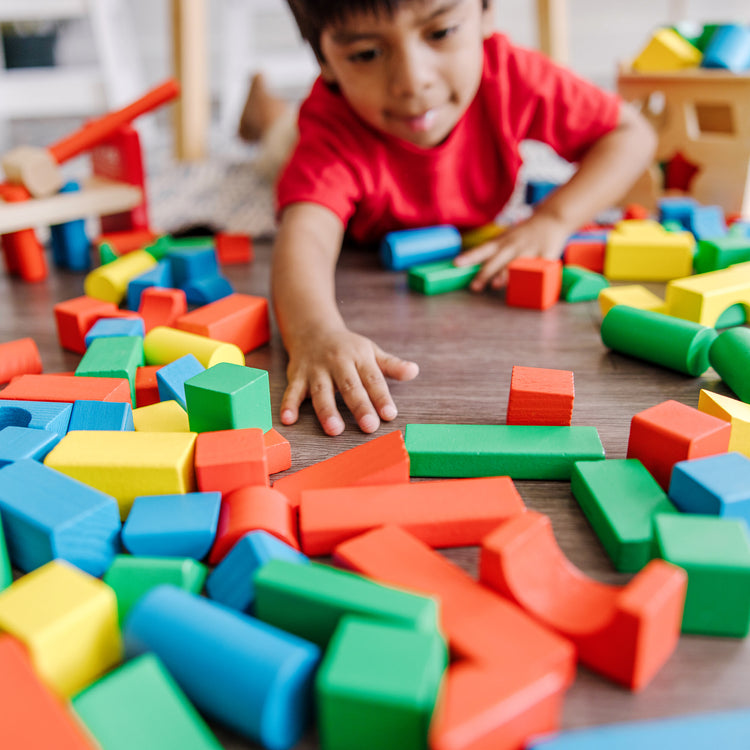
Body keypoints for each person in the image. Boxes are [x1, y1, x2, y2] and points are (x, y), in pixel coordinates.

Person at [263, 0, 656, 436]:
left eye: (441, 32)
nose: (412, 82)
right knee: (275, 143)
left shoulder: (513, 75)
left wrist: (554, 219)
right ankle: (261, 108)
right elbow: (306, 234)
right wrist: (315, 331)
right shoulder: (333, 126)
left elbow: (631, 133)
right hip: (306, 142)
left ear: (487, 14)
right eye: (366, 54)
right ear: (325, 63)